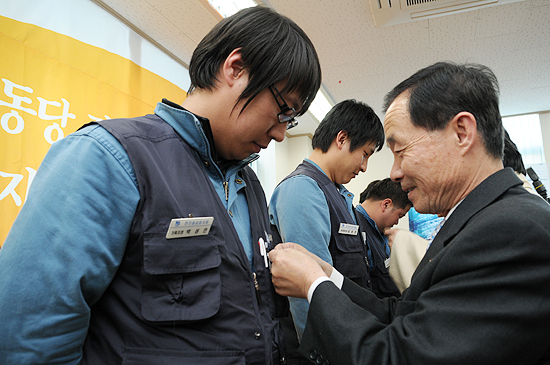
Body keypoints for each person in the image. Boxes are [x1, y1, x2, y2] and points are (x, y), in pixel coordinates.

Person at [0, 6, 321, 364]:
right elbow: (30, 337)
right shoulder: (110, 158)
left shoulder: (250, 185)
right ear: (235, 68)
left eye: (290, 122)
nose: (279, 133)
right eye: (282, 111)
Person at [269, 62, 550, 365]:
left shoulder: (511, 229)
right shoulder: (484, 221)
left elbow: (403, 354)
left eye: (400, 151)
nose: (394, 172)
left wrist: (314, 283)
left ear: (461, 133)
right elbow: (404, 314)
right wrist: (326, 278)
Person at [269, 99, 384, 363]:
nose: (364, 166)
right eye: (365, 154)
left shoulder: (339, 195)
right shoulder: (303, 190)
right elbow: (306, 290)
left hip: (348, 335)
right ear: (342, 139)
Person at [355, 178, 411, 298]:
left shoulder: (380, 233)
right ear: (386, 204)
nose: (396, 222)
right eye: (399, 216)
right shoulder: (355, 229)